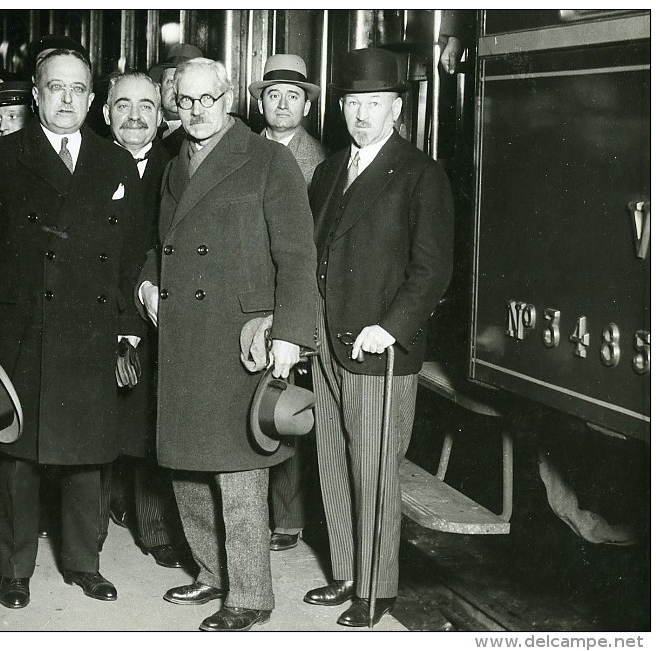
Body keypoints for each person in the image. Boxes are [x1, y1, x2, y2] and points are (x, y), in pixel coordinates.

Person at [0, 48, 142, 609]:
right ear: (35, 95)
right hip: (22, 326)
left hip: (92, 326)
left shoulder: (115, 162)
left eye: (77, 89)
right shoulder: (0, 158)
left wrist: (127, 327)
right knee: (19, 456)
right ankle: (14, 570)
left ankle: (85, 563)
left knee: (91, 455)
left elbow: (131, 256)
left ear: (91, 99)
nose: (66, 99)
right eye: (55, 88)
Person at [137, 57, 318, 631]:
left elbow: (297, 257)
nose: (195, 111)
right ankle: (211, 573)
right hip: (182, 335)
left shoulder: (269, 161)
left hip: (241, 340)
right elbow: (159, 242)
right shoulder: (173, 166)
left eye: (206, 99)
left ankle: (251, 596)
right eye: (184, 101)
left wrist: (290, 334)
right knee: (186, 465)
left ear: (229, 97)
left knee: (239, 473)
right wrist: (146, 281)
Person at [304, 47, 453, 627]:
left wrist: (389, 328)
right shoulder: (329, 169)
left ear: (396, 110)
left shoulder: (419, 174)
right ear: (342, 107)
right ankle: (346, 572)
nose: (362, 114)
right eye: (353, 103)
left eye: (375, 104)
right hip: (325, 341)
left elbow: (432, 269)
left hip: (377, 349)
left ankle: (377, 586)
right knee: (332, 461)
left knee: (374, 468)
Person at [101, 70, 191, 570]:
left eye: (146, 107)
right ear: (106, 111)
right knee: (95, 419)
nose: (134, 117)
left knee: (151, 424)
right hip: (96, 312)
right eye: (123, 106)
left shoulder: (177, 168)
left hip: (157, 314)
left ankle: (155, 528)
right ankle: (89, 526)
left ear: (162, 116)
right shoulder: (86, 164)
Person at [248, 53, 328, 553]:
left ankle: (289, 518)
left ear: (306, 105)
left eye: (292, 96)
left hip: (290, 297)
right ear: (260, 101)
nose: (282, 103)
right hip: (244, 293)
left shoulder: (319, 162)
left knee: (285, 405)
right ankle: (249, 512)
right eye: (273, 94)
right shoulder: (239, 149)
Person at [148, 43, 203, 158]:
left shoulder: (202, 134)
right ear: (159, 87)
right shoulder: (145, 125)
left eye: (185, 82)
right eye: (170, 81)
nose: (176, 90)